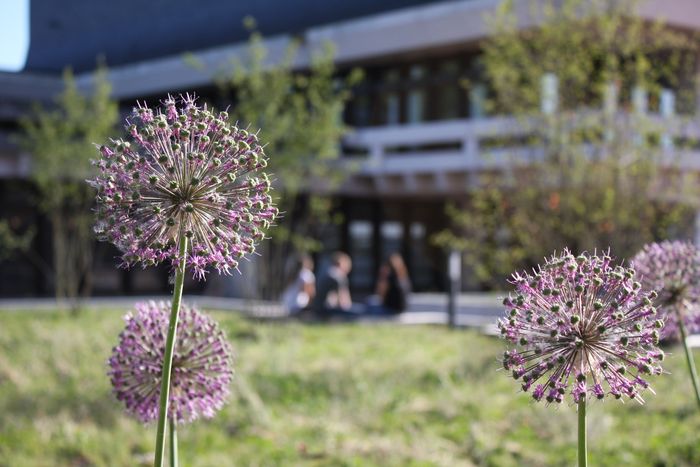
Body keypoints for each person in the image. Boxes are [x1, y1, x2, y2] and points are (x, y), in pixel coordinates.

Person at [311, 251, 353, 320]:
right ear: (341, 264)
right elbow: (344, 303)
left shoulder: (326, 272)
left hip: (317, 309)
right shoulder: (338, 275)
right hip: (326, 310)